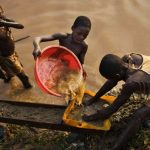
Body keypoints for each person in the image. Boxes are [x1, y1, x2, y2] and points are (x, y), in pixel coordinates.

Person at [82, 54, 150, 150]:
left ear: (117, 75)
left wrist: (89, 118)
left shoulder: (131, 83)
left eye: (114, 77)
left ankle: (116, 147)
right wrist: (93, 99)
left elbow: (111, 110)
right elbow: (111, 82)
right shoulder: (129, 58)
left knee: (139, 115)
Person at [0, 6, 32, 89]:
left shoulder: (4, 19)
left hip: (11, 52)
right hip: (6, 57)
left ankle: (9, 77)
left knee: (9, 72)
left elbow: (20, 26)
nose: (0, 15)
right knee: (24, 77)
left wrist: (4, 22)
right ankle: (28, 92)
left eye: (0, 12)